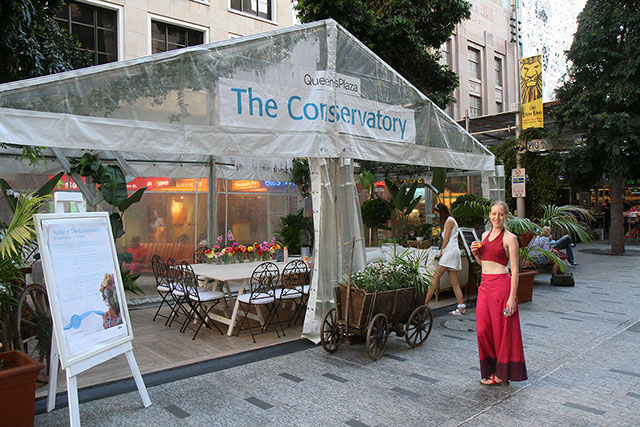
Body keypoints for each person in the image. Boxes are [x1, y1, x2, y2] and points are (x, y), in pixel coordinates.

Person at [471, 201, 527, 385]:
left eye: (500, 214)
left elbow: (515, 269)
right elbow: (483, 264)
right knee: (482, 331)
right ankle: (490, 368)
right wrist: (476, 254)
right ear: (490, 215)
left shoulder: (510, 238)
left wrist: (512, 297)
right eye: (494, 214)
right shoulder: (484, 235)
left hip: (501, 286)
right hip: (485, 286)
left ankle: (502, 374)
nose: (497, 217)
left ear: (506, 216)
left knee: (500, 331)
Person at [424, 203, 466, 315]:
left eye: (437, 214)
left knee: (435, 276)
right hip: (454, 252)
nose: (437, 216)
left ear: (440, 212)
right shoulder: (451, 220)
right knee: (454, 282)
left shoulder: (449, 221)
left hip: (450, 252)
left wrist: (441, 252)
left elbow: (446, 240)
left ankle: (425, 304)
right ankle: (461, 307)